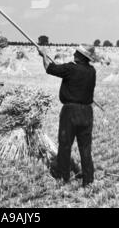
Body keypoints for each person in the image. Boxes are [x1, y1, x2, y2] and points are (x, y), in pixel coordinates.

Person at [39, 44, 96, 187]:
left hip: (70, 111)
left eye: (77, 52)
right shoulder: (92, 71)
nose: (74, 53)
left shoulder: (71, 68)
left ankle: (63, 177)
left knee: (65, 145)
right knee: (85, 147)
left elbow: (49, 68)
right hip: (87, 112)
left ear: (80, 56)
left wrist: (44, 55)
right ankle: (88, 180)